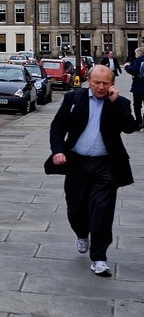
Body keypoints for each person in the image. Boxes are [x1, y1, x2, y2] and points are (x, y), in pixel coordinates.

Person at [49, 65, 138, 276]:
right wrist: (58, 150)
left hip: (106, 165)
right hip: (77, 162)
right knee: (75, 207)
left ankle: (99, 258)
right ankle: (81, 233)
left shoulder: (120, 102)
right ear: (89, 81)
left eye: (105, 83)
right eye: (97, 82)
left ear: (112, 84)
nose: (100, 87)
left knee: (102, 211)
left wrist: (115, 104)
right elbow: (58, 126)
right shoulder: (74, 99)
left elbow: (131, 127)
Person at [124, 47, 144, 130]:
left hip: (138, 87)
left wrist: (127, 67)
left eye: (136, 53)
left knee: (137, 106)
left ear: (139, 53)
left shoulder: (138, 60)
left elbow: (134, 70)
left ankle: (139, 123)